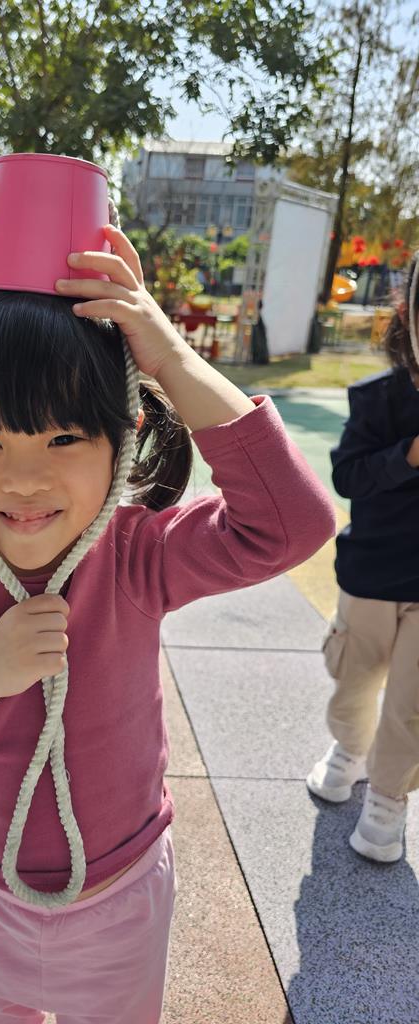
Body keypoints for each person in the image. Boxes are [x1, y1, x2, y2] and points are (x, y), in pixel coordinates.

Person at [0, 194, 336, 1018]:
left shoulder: (136, 556)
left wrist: (170, 355)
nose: (26, 479)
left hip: (122, 896)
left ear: (125, 433)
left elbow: (294, 523)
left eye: (65, 438)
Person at [307, 259, 419, 863]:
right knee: (354, 680)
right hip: (371, 574)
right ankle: (350, 750)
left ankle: (388, 797)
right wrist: (408, 455)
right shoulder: (379, 397)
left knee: (411, 704)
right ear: (408, 316)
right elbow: (348, 476)